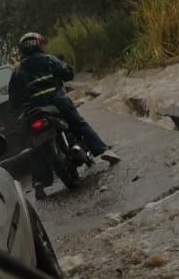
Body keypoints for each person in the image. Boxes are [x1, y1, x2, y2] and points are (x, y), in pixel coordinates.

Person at [8, 33, 120, 194]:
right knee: (78, 124)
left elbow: (13, 98)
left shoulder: (17, 71)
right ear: (37, 45)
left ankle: (39, 182)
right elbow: (68, 73)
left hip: (34, 110)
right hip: (57, 102)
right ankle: (103, 151)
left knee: (35, 145)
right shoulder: (48, 59)